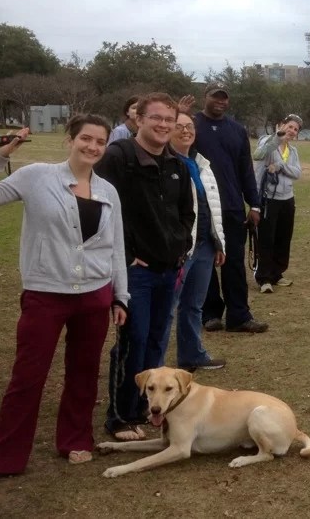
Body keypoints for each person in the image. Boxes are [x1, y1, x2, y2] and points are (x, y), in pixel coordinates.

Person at [0, 116, 128, 486]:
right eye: (85, 138)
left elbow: (116, 248)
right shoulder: (37, 176)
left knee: (83, 373)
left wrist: (119, 296)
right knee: (27, 377)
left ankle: (76, 439)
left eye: (99, 141)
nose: (92, 147)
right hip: (45, 293)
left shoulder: (108, 191)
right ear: (70, 140)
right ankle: (2, 455)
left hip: (94, 294)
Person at [95, 92, 195, 441]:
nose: (164, 125)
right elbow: (99, 204)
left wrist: (181, 246)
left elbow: (187, 213)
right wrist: (123, 254)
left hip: (169, 269)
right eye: (156, 118)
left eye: (170, 119)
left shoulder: (177, 165)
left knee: (156, 342)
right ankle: (120, 415)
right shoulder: (118, 158)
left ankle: (151, 409)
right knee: (133, 341)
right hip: (135, 270)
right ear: (138, 118)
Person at [190, 84, 268, 333]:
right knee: (205, 261)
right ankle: (210, 313)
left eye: (224, 98)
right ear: (206, 98)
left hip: (232, 206)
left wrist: (254, 204)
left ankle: (239, 315)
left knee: (234, 261)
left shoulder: (236, 130)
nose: (220, 102)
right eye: (216, 97)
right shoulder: (192, 126)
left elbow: (246, 169)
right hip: (201, 206)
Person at [163, 111, 228, 371]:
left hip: (204, 245)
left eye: (190, 126)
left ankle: (192, 356)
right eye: (179, 126)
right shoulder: (164, 163)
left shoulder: (202, 164)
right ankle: (155, 363)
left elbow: (212, 207)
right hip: (180, 249)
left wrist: (218, 242)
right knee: (168, 306)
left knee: (194, 305)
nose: (186, 131)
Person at [252, 114, 303, 293]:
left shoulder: (293, 151)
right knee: (267, 238)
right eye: (289, 126)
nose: (292, 131)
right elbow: (258, 155)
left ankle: (277, 273)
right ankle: (264, 277)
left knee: (283, 238)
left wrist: (280, 165)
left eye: (295, 129)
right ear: (280, 125)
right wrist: (276, 139)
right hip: (268, 199)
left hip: (287, 198)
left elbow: (297, 173)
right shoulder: (268, 141)